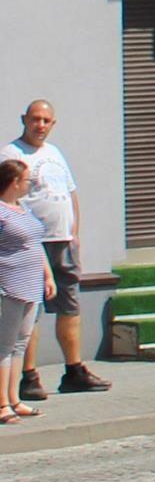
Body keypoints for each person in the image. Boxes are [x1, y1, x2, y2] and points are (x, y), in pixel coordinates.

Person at [7, 103, 102, 399]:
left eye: (46, 120)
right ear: (24, 120)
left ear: (53, 123)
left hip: (63, 240)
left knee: (69, 303)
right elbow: (8, 199)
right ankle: (29, 375)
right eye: (35, 119)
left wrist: (74, 234)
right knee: (31, 308)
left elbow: (70, 194)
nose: (40, 125)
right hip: (31, 243)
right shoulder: (11, 154)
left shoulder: (55, 153)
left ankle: (74, 370)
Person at [0, 159, 44, 426]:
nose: (30, 185)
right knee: (3, 345)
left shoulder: (22, 208)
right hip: (8, 285)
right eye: (28, 180)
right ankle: (2, 404)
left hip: (31, 283)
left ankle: (14, 399)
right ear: (14, 182)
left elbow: (35, 244)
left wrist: (47, 275)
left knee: (19, 344)